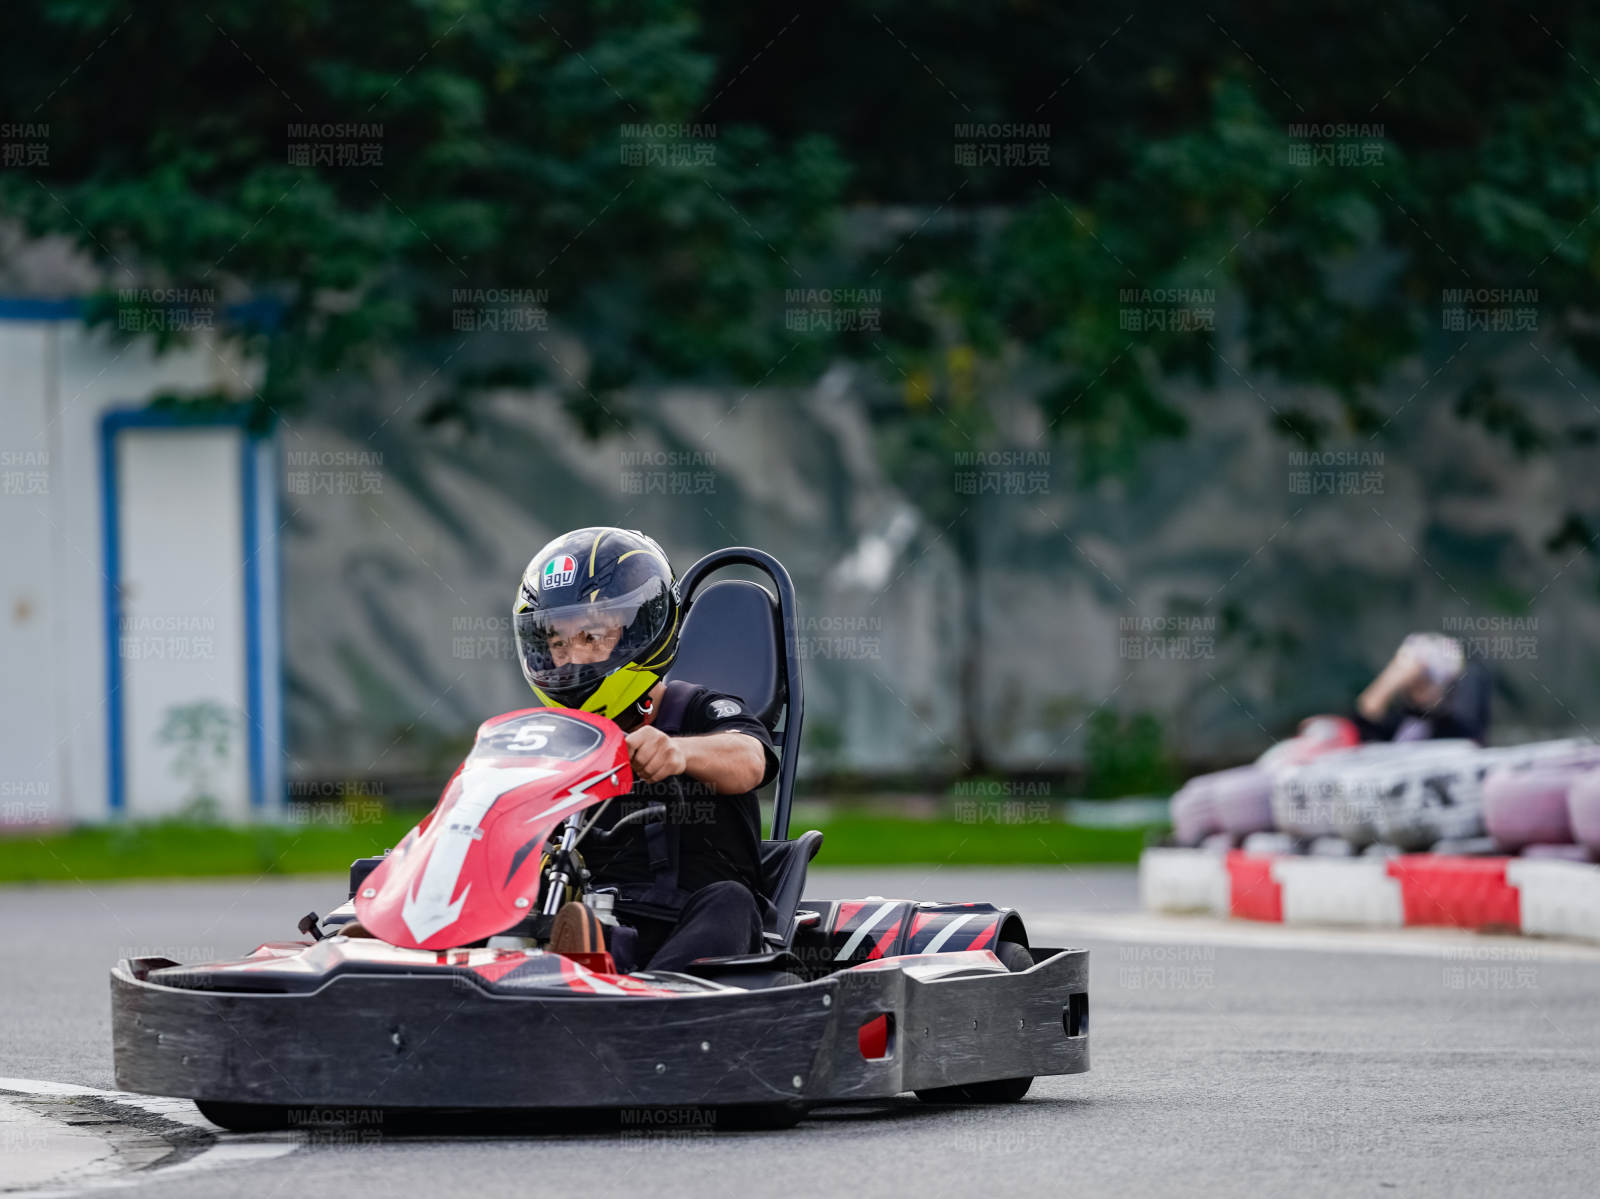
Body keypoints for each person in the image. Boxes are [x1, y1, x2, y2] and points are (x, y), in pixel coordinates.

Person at [511, 526, 779, 972]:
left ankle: (644, 994)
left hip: (694, 929)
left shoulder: (695, 710)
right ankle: (413, 952)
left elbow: (751, 759)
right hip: (597, 924)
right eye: (557, 642)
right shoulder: (554, 740)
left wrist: (678, 753)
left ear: (638, 631)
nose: (571, 658)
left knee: (730, 901)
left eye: (591, 636)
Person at [1352, 632, 1491, 743]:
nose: (1417, 686)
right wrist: (1394, 677)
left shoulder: (1459, 727)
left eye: (1425, 682)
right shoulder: (1398, 722)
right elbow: (1368, 711)